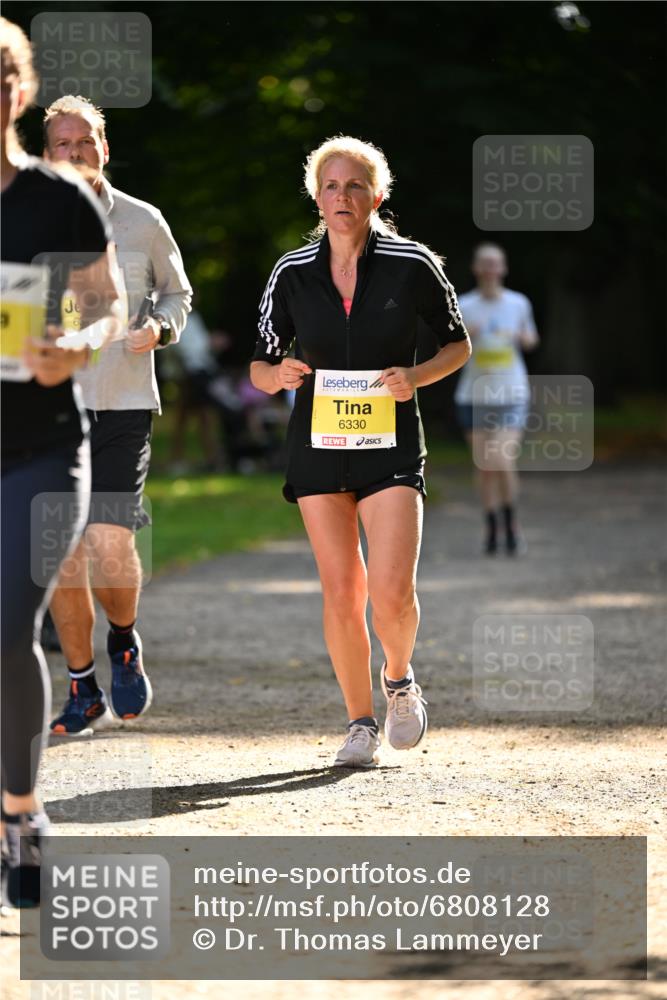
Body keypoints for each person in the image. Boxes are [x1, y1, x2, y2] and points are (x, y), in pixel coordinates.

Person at [250, 136, 471, 768]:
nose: (341, 197)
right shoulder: (291, 272)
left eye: (354, 186)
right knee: (342, 588)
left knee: (391, 590)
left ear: (377, 195)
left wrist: (418, 376)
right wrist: (277, 376)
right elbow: (260, 362)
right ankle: (359, 722)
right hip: (318, 445)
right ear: (315, 197)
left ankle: (398, 680)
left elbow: (458, 344)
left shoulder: (412, 263)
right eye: (330, 186)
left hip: (391, 443)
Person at [0, 18, 120, 905]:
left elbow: (107, 301)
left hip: (40, 447)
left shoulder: (59, 197)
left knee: (9, 626)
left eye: (5, 71)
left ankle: (21, 811)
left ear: (25, 87)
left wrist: (76, 346)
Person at [42, 95, 192, 735]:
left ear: (104, 145)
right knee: (61, 558)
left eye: (84, 142)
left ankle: (124, 641)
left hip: (123, 402)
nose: (74, 154)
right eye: (61, 145)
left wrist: (159, 326)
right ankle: (81, 687)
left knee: (109, 543)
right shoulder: (21, 220)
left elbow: (177, 291)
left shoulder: (141, 220)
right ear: (45, 154)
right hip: (44, 409)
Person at [454, 243, 539, 554]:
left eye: (496, 264)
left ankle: (511, 524)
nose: (491, 269)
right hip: (473, 395)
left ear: (503, 269)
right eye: (485, 263)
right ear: (476, 268)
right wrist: (467, 338)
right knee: (485, 466)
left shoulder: (518, 303)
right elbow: (448, 351)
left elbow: (531, 339)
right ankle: (491, 526)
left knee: (503, 459)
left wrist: (519, 336)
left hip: (511, 394)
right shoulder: (463, 304)